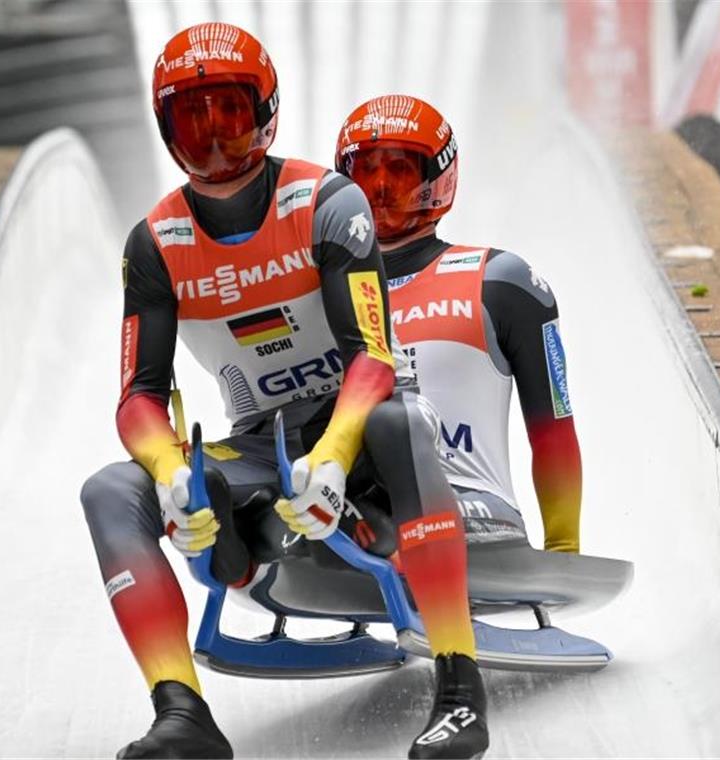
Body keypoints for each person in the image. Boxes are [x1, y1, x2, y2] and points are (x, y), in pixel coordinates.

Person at [80, 24, 488, 760]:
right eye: (192, 122)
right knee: (111, 490)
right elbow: (138, 396)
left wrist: (334, 451)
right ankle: (183, 711)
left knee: (396, 422)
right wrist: (170, 474)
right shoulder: (155, 243)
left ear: (264, 114)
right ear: (166, 128)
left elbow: (373, 355)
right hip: (259, 440)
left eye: (229, 118)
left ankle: (461, 689)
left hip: (359, 429)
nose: (212, 143)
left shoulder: (329, 202)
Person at [334, 95, 583, 556]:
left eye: (400, 170)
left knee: (400, 517)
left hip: (472, 506)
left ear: (436, 180)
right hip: (351, 509)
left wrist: (563, 547)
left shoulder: (500, 281)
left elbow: (552, 425)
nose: (382, 188)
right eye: (367, 171)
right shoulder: (316, 291)